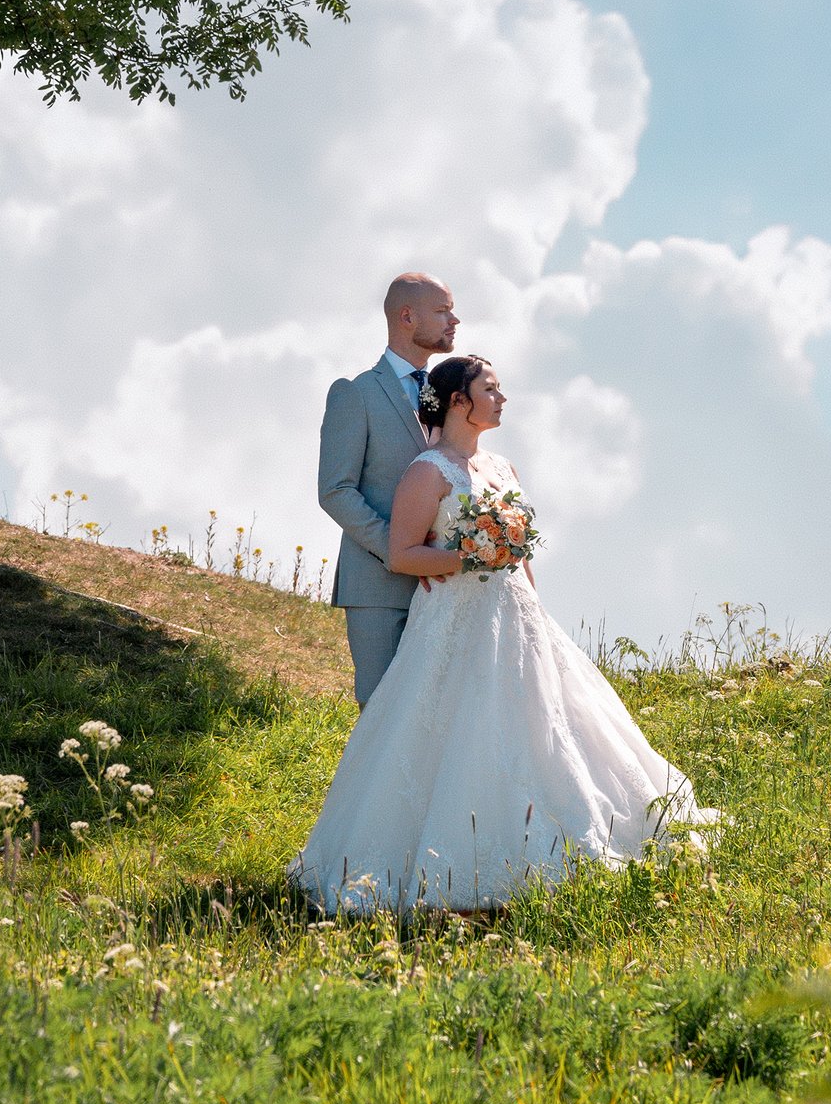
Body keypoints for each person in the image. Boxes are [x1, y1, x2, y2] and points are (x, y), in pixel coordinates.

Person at [293, 351, 704, 914]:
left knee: (546, 721)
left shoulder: (503, 468)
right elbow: (402, 553)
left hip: (516, 615)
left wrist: (529, 600)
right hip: (454, 620)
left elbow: (518, 551)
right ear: (459, 400)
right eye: (491, 388)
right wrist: (466, 558)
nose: (502, 397)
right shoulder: (427, 471)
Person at [318, 269, 459, 704]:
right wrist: (401, 552)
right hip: (378, 586)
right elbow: (335, 490)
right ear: (407, 317)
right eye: (443, 311)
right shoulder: (355, 393)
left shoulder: (450, 393)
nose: (454, 321)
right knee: (382, 716)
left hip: (444, 591)